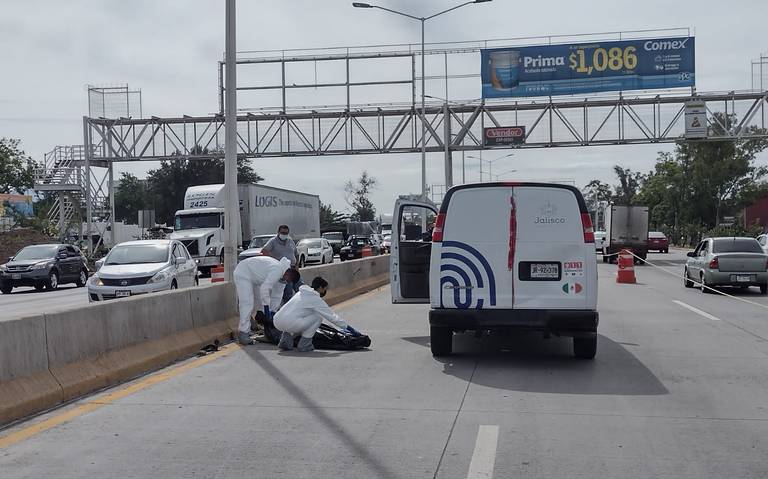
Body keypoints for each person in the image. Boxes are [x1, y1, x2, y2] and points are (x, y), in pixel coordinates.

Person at [274, 276, 362, 352]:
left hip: (277, 321)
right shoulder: (315, 299)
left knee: (295, 317)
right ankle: (305, 345)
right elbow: (332, 317)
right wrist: (351, 330)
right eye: (325, 289)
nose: (325, 291)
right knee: (317, 317)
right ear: (320, 288)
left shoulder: (300, 293)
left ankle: (285, 342)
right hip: (289, 323)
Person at [233, 256, 297, 345]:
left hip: (256, 278)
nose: (287, 282)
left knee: (260, 303)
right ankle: (243, 333)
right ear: (287, 275)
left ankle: (263, 327)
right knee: (247, 303)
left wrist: (272, 312)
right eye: (288, 280)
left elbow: (277, 296)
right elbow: (265, 289)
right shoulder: (277, 270)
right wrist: (267, 310)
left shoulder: (284, 278)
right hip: (243, 272)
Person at [262, 224, 300, 302]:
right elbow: (264, 251)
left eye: (286, 233)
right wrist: (274, 262)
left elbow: (296, 254)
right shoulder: (273, 241)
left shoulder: (290, 241)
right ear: (278, 232)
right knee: (288, 291)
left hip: (293, 269)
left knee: (301, 287)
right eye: (283, 233)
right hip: (283, 270)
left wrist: (297, 265)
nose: (284, 235)